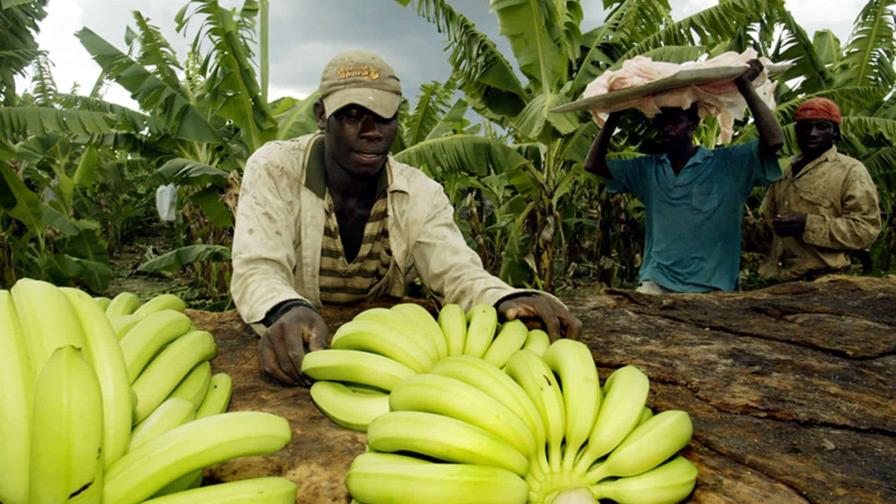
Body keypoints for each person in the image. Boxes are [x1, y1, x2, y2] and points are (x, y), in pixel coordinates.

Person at [230, 50, 582, 385]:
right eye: (352, 115)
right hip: (299, 334)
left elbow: (456, 272)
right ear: (322, 115)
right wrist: (285, 309)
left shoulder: (420, 194)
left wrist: (504, 298)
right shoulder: (276, 169)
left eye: (384, 116)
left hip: (385, 348)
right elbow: (258, 267)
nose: (371, 130)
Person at [583, 60, 785, 294]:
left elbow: (774, 141)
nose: (667, 128)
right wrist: (616, 114)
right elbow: (594, 165)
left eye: (675, 122)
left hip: (714, 285)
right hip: (657, 281)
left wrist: (745, 87)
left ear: (693, 124)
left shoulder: (729, 164)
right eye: (662, 123)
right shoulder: (649, 170)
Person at [759, 97, 881, 282]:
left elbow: (865, 230)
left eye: (822, 126)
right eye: (805, 127)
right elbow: (767, 229)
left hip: (823, 282)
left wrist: (807, 224)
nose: (812, 133)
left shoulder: (850, 171)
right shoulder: (786, 172)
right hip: (778, 282)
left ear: (835, 133)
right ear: (796, 131)